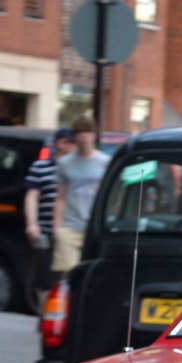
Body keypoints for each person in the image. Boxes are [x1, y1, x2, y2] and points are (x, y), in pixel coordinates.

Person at [52, 115, 110, 278]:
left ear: (95, 135)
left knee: (94, 274)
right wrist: (58, 228)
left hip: (95, 227)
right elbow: (60, 197)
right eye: (80, 132)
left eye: (88, 131)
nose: (84, 136)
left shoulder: (105, 161)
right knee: (68, 276)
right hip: (70, 226)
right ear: (75, 136)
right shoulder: (64, 163)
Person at [24, 128, 75, 311]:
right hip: (45, 230)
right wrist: (32, 224)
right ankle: (45, 317)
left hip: (71, 229)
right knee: (44, 276)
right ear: (61, 144)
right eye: (72, 142)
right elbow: (32, 197)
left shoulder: (76, 168)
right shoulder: (40, 167)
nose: (76, 146)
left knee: (68, 275)